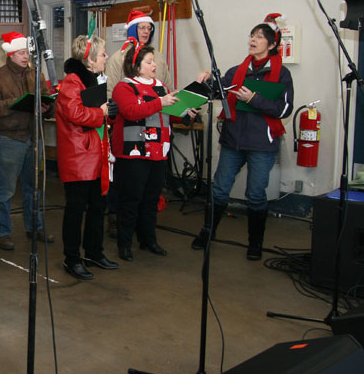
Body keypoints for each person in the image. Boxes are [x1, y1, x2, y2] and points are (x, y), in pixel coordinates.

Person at [191, 14, 293, 260]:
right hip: (233, 141)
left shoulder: (282, 74)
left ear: (271, 45)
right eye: (252, 35)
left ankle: (255, 244)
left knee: (256, 194)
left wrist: (254, 100)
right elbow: (219, 91)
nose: (253, 40)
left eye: (259, 37)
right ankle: (208, 232)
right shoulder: (236, 71)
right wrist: (207, 81)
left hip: (261, 145)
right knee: (219, 189)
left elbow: (285, 109)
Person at [111, 39, 196, 262]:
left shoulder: (160, 86)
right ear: (135, 65)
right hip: (133, 153)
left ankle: (148, 240)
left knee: (150, 200)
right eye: (149, 62)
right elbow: (131, 112)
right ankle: (125, 243)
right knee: (131, 201)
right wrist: (162, 101)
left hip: (158, 151)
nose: (154, 66)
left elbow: (170, 110)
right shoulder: (124, 87)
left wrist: (185, 112)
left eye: (153, 62)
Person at [0, 31, 54, 252]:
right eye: (21, 52)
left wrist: (47, 107)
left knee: (35, 188)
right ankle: (3, 232)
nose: (25, 56)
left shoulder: (36, 75)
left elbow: (49, 103)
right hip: (9, 139)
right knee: (6, 190)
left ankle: (35, 227)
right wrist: (18, 102)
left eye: (27, 52)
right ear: (11, 54)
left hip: (34, 137)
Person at [56, 35, 119, 280]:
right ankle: (72, 259)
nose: (106, 57)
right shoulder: (73, 82)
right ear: (90, 59)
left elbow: (97, 115)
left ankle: (94, 252)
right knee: (76, 209)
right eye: (103, 54)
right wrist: (100, 112)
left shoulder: (93, 80)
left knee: (97, 207)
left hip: (94, 153)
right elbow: (74, 113)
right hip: (78, 155)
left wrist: (109, 112)